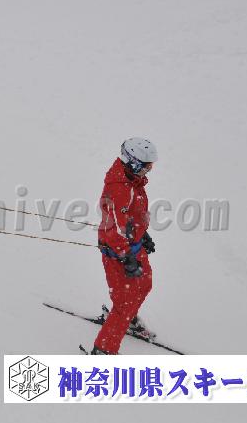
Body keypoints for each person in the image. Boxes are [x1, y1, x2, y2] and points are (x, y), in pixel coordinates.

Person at [91, 137, 158, 355]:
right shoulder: (119, 188)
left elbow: (132, 214)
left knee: (144, 284)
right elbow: (114, 228)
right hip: (117, 252)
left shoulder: (134, 182)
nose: (149, 170)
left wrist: (142, 233)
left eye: (150, 166)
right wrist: (126, 257)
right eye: (146, 166)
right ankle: (103, 350)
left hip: (133, 246)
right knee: (124, 301)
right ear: (133, 162)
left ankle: (127, 320)